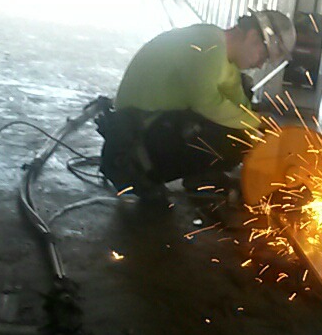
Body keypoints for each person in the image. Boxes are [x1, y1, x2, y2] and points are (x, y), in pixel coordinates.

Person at [97, 10, 296, 201]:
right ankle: (145, 172)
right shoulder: (207, 46)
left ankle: (201, 177)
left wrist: (268, 142)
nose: (261, 65)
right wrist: (257, 122)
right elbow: (207, 104)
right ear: (252, 37)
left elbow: (242, 109)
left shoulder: (225, 59)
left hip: (155, 126)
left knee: (241, 120)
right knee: (232, 136)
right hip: (131, 144)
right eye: (263, 56)